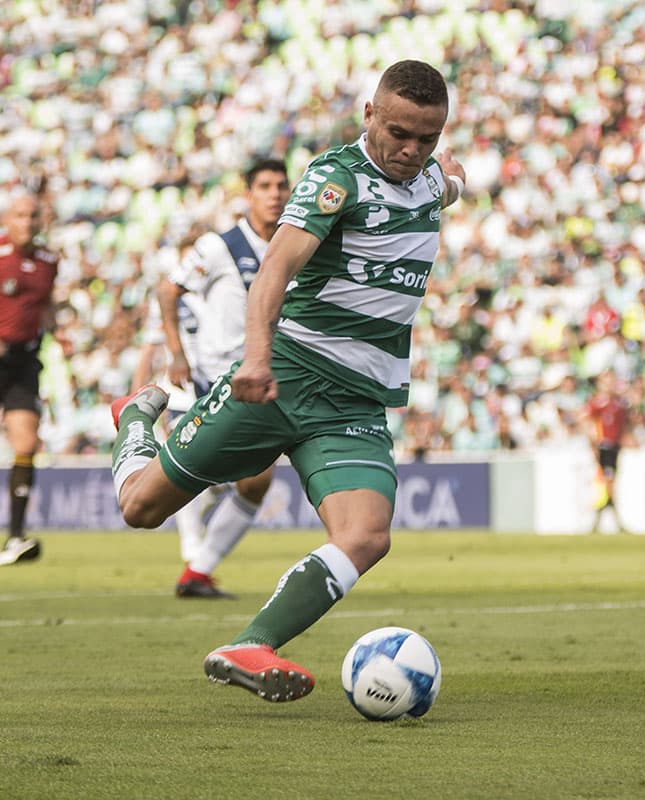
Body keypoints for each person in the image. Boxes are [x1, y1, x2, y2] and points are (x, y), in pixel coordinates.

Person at [109, 60, 467, 702]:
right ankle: (137, 419)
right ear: (368, 115)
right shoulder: (336, 178)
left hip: (355, 401)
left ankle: (251, 643)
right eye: (398, 132)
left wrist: (452, 178)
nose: (411, 150)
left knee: (366, 535)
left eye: (428, 138)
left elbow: (449, 180)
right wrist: (254, 359)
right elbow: (273, 268)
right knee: (141, 509)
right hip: (284, 377)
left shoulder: (431, 175)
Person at [157, 158, 290, 598]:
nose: (275, 194)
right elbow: (168, 289)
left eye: (281, 186)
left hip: (262, 377)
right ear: (248, 194)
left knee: (252, 479)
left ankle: (197, 570)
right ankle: (195, 561)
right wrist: (177, 353)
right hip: (219, 379)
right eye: (265, 186)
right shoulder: (220, 246)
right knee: (237, 475)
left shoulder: (293, 244)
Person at [0, 190, 58, 567]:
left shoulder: (49, 261)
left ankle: (15, 537)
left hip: (24, 362)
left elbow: (46, 304)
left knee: (26, 441)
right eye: (20, 215)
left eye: (33, 216)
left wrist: (54, 331)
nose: (27, 222)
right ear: (8, 219)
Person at [584, 371, 629, 533]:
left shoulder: (619, 403)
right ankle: (610, 520)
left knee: (609, 483)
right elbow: (588, 422)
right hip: (603, 447)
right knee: (606, 483)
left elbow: (623, 426)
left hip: (614, 447)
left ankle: (600, 521)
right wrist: (593, 443)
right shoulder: (597, 403)